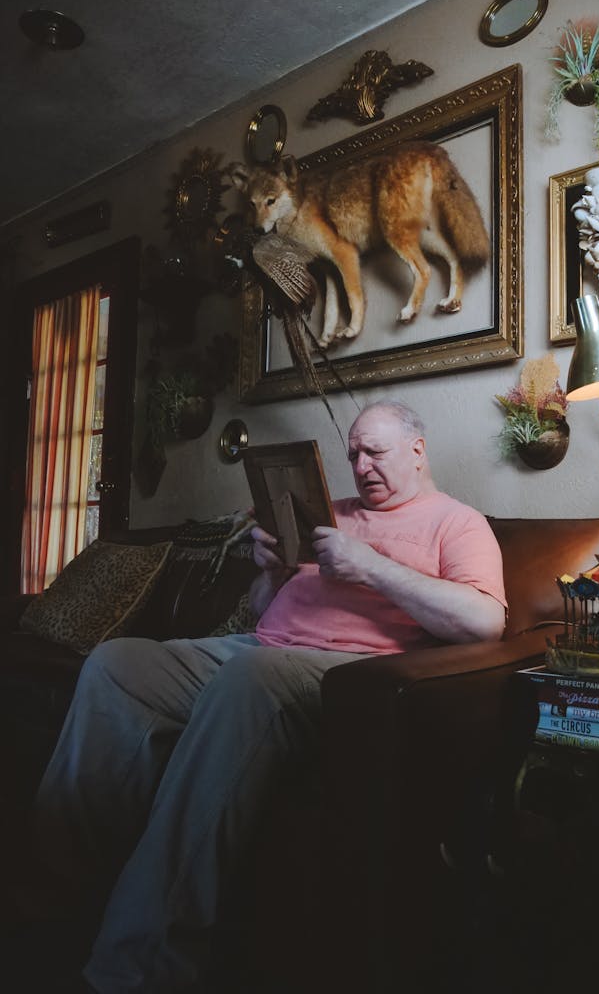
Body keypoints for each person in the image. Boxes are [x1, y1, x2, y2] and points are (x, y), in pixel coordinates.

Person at [32, 399, 506, 993]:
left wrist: (372, 566)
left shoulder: (457, 523)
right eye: (354, 454)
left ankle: (138, 968)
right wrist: (272, 574)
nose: (361, 467)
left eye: (375, 453)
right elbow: (266, 611)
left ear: (417, 450)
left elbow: (485, 621)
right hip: (253, 647)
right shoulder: (327, 513)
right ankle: (56, 891)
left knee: (247, 678)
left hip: (343, 671)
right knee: (115, 663)